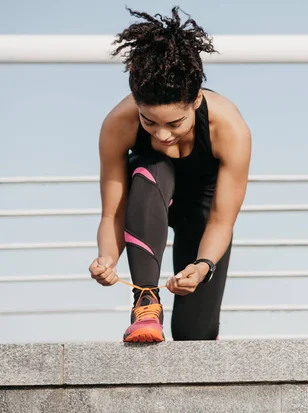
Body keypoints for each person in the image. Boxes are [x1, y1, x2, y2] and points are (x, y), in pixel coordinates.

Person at [87, 6, 251, 343]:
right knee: (153, 166)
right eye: (150, 122)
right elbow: (113, 212)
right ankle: (146, 302)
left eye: (174, 123)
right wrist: (107, 258)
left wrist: (203, 266)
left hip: (202, 213)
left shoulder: (230, 128)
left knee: (195, 337)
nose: (162, 135)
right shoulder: (118, 124)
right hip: (147, 197)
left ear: (195, 101)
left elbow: (221, 221)